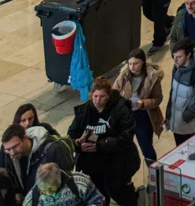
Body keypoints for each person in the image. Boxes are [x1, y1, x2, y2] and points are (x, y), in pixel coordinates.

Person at [67, 78, 139, 206]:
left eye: (102, 96)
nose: (97, 100)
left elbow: (126, 137)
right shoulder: (85, 110)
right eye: (95, 96)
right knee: (99, 196)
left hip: (117, 163)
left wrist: (100, 146)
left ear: (109, 95)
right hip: (94, 165)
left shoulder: (121, 109)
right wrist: (78, 143)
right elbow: (71, 134)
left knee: (121, 194)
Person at [111, 49, 163, 164]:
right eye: (130, 64)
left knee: (146, 148)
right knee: (124, 147)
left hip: (143, 116)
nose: (132, 67)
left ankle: (155, 175)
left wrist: (143, 103)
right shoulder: (123, 76)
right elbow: (113, 94)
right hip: (126, 116)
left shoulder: (152, 77)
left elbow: (158, 98)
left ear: (143, 62)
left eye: (135, 63)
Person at [0, 125, 73, 202]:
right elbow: (12, 174)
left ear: (25, 138)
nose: (12, 152)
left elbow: (67, 177)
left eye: (15, 146)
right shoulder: (10, 156)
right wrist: (17, 191)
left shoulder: (53, 149)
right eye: (8, 149)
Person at [165, 37, 195, 146]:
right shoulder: (177, 67)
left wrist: (185, 117)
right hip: (177, 124)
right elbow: (173, 92)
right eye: (174, 56)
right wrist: (168, 115)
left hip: (191, 125)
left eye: (179, 57)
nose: (175, 60)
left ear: (188, 55)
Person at [20, 163, 105, 206]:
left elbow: (98, 200)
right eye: (43, 190)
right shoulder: (32, 197)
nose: (48, 193)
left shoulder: (79, 182)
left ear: (59, 179)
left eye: (51, 188)